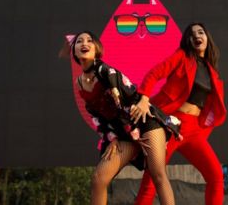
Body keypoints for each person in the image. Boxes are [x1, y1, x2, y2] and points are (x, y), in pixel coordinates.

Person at [70, 31, 180, 205]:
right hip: (123, 133)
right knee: (99, 178)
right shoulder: (79, 84)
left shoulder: (102, 69)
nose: (84, 43)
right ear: (74, 51)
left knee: (157, 173)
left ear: (97, 48)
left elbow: (109, 73)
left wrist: (114, 89)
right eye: (79, 41)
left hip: (143, 120)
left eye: (89, 40)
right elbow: (98, 117)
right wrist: (112, 138)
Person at [133, 23, 227, 205]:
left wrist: (201, 131)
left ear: (207, 38)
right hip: (170, 123)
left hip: (194, 130)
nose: (197, 36)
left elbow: (210, 111)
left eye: (201, 32)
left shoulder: (211, 72)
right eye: (192, 35)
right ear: (188, 41)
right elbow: (154, 73)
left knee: (216, 176)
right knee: (152, 178)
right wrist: (144, 97)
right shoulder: (182, 57)